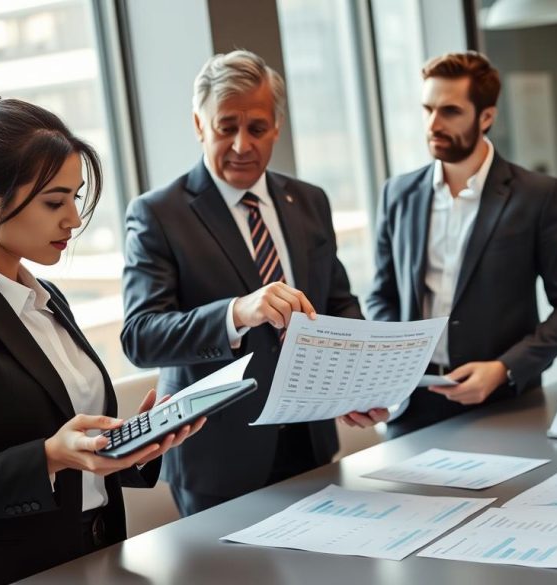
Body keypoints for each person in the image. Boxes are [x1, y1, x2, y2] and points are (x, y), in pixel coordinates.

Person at [0, 79, 204, 585]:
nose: (74, 219)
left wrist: (134, 447)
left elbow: (74, 456)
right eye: (55, 203)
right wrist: (47, 456)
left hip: (92, 558)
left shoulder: (47, 297)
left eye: (74, 198)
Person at [121, 50, 374, 517]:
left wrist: (358, 385)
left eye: (257, 128)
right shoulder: (158, 214)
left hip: (311, 440)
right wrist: (236, 312)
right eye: (226, 127)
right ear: (199, 125)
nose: (241, 144)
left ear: (277, 126)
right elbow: (141, 336)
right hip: (218, 458)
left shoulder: (310, 201)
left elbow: (338, 305)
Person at [363, 52, 557, 438]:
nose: (433, 124)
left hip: (505, 404)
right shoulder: (397, 194)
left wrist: (505, 368)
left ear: (486, 117)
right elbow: (381, 296)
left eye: (450, 111)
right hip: (411, 405)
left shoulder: (538, 196)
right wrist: (396, 360)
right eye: (427, 109)